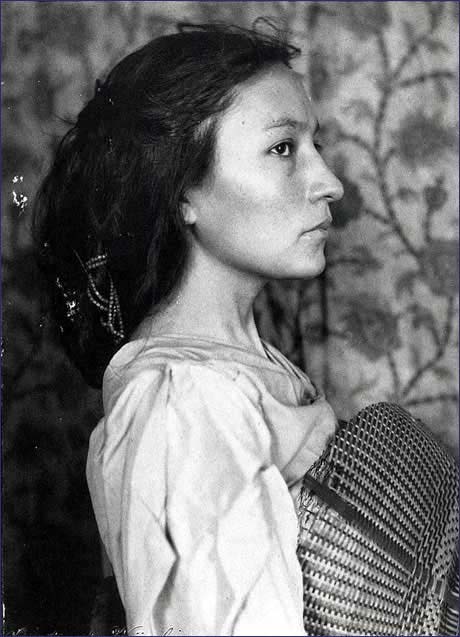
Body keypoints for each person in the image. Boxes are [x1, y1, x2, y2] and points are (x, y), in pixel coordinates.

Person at [33, 22, 344, 636]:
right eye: (283, 149)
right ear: (183, 194)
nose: (330, 183)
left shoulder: (242, 371)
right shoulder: (185, 403)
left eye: (316, 145)